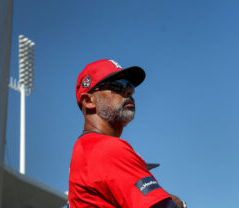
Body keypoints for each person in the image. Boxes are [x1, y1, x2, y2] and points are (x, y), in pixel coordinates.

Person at [68, 59, 186, 208]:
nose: (129, 92)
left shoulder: (85, 149)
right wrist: (181, 204)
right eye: (118, 86)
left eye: (130, 87)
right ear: (88, 101)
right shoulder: (106, 149)